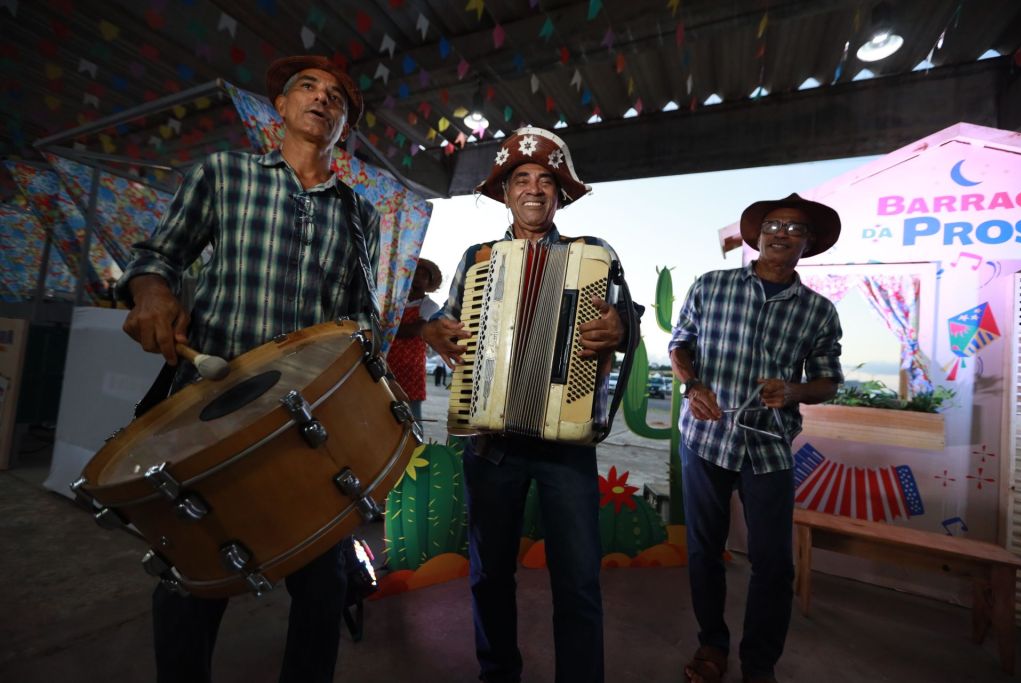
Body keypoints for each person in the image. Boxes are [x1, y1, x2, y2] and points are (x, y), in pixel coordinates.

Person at [116, 55, 379, 683]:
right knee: (193, 581)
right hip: (208, 414)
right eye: (308, 89)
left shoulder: (358, 213)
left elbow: (358, 322)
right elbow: (158, 255)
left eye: (337, 97)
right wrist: (151, 292)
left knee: (322, 587)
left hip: (307, 427)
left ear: (344, 125)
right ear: (281, 108)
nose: (323, 99)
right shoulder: (224, 174)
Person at [422, 127, 637, 683]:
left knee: (578, 580)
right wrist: (436, 333)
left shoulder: (594, 256)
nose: (535, 188)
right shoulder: (478, 258)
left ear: (559, 195)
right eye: (522, 179)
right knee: (490, 575)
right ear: (506, 192)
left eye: (546, 180)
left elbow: (625, 321)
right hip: (493, 443)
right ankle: (498, 673)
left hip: (566, 447)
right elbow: (446, 323)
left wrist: (620, 326)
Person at [668, 193, 844, 683]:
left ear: (807, 244)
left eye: (794, 228)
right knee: (704, 549)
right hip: (706, 439)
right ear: (757, 235)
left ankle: (759, 664)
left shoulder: (818, 311)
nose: (781, 232)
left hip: (768, 447)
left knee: (773, 563)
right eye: (773, 224)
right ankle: (712, 645)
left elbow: (828, 380)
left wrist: (794, 390)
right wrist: (692, 383)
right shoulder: (712, 286)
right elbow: (680, 341)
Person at [387, 258, 442, 421]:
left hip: (412, 367)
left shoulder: (430, 305)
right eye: (415, 272)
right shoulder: (396, 303)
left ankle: (415, 445)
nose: (418, 277)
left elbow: (416, 330)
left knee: (412, 415)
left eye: (424, 275)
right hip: (389, 364)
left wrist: (388, 330)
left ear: (429, 282)